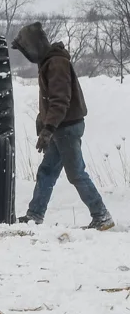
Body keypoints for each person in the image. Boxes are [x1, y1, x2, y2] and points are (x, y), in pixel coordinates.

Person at [12, 22, 113, 230]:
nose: (28, 55)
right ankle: (35, 215)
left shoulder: (56, 63)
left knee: (76, 173)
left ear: (36, 46)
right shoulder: (49, 62)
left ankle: (101, 216)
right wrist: (44, 124)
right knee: (47, 171)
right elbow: (50, 100)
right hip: (60, 127)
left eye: (27, 50)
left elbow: (60, 100)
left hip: (66, 127)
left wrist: (48, 129)